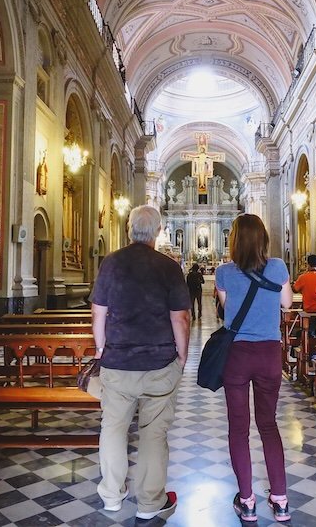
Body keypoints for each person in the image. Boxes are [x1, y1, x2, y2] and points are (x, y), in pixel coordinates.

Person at [90, 205, 190, 521]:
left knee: (113, 428)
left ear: (128, 229)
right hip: (160, 362)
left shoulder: (111, 263)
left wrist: (101, 348)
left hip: (117, 361)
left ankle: (111, 495)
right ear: (159, 231)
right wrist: (183, 354)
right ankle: (149, 502)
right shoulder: (169, 267)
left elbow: (98, 313)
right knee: (153, 433)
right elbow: (181, 317)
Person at [215, 214, 294, 523]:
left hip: (236, 355)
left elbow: (225, 309)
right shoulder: (277, 267)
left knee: (239, 427)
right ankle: (281, 500)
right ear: (264, 239)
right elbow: (287, 303)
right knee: (269, 425)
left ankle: (247, 501)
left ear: (233, 240)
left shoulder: (223, 272)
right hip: (269, 354)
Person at [293, 254, 316, 338]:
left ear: (308, 265)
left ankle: (311, 342)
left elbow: (295, 289)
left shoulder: (303, 277)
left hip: (309, 310)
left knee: (310, 329)